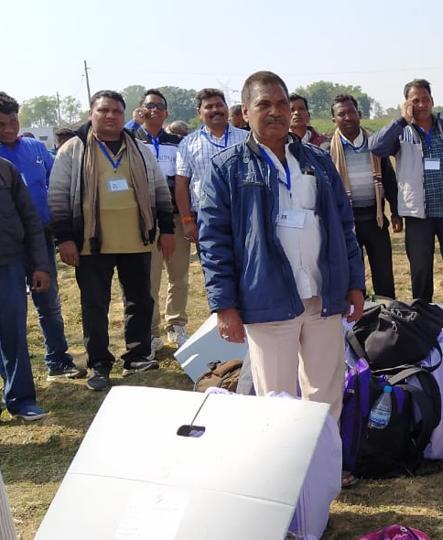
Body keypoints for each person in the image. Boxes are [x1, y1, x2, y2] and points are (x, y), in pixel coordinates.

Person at [197, 71, 364, 419]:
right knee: (276, 400)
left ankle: (324, 470)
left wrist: (354, 284)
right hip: (268, 299)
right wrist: (224, 305)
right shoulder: (226, 168)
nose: (275, 111)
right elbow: (214, 242)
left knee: (326, 395)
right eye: (264, 104)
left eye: (282, 103)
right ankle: (286, 473)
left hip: (323, 296)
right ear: (244, 112)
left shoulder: (317, 161)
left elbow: (344, 227)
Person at [49, 90, 175, 391]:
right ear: (91, 113)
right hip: (92, 244)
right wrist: (64, 239)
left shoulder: (140, 149)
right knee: (95, 304)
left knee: (140, 300)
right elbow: (56, 198)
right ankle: (99, 364)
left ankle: (137, 354)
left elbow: (160, 191)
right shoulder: (73, 149)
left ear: (125, 115)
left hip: (137, 240)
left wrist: (167, 230)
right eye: (103, 110)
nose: (110, 116)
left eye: (116, 111)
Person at [369, 79, 443, 303]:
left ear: (432, 100)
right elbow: (376, 147)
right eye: (415, 100)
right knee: (420, 270)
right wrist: (401, 120)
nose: (421, 104)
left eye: (425, 99)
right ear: (406, 104)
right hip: (418, 215)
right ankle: (423, 316)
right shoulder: (402, 131)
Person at [0, 92, 83, 380]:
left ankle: (57, 361)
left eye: (13, 121)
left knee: (49, 303)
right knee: (8, 314)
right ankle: (12, 375)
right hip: (6, 247)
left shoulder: (35, 148)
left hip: (40, 241)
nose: (9, 129)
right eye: (1, 124)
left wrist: (61, 234)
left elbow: (55, 187)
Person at [134, 89, 191, 349]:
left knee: (178, 274)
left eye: (159, 106)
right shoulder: (131, 138)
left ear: (167, 113)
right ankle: (152, 330)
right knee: (149, 279)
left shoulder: (178, 142)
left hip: (175, 217)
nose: (154, 110)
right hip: (144, 220)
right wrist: (132, 122)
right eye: (149, 106)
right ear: (141, 110)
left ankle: (176, 324)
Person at [329, 94, 399, 299]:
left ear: (359, 114)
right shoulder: (327, 150)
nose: (348, 117)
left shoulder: (375, 145)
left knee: (384, 274)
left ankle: (387, 316)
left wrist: (395, 212)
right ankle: (357, 320)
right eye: (341, 114)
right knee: (352, 276)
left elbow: (389, 180)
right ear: (334, 120)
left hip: (375, 220)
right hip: (346, 222)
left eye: (351, 112)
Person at [0, 156, 52, 419]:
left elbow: (31, 221)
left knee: (13, 333)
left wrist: (40, 265)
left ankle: (21, 400)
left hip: (8, 264)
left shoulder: (6, 169)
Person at [175, 89, 248, 242]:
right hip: (206, 218)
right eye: (209, 107)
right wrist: (187, 221)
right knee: (214, 264)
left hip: (245, 215)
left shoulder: (247, 139)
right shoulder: (188, 143)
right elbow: (181, 184)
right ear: (199, 112)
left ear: (227, 108)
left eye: (219, 105)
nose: (215, 110)